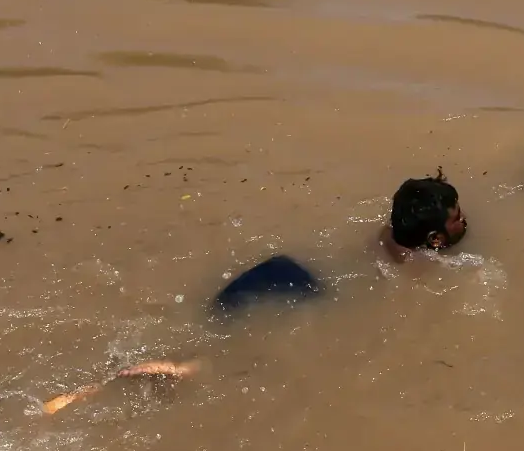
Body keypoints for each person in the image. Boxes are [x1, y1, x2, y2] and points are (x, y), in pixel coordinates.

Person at [42, 172, 468, 414]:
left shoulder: (387, 235)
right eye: (457, 219)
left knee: (216, 330)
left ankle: (93, 388)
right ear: (433, 239)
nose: (463, 223)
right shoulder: (421, 265)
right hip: (315, 293)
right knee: (239, 356)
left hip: (280, 272)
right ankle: (187, 369)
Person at [379, 170, 469, 261]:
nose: (464, 216)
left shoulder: (387, 236)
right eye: (457, 218)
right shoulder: (426, 266)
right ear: (435, 239)